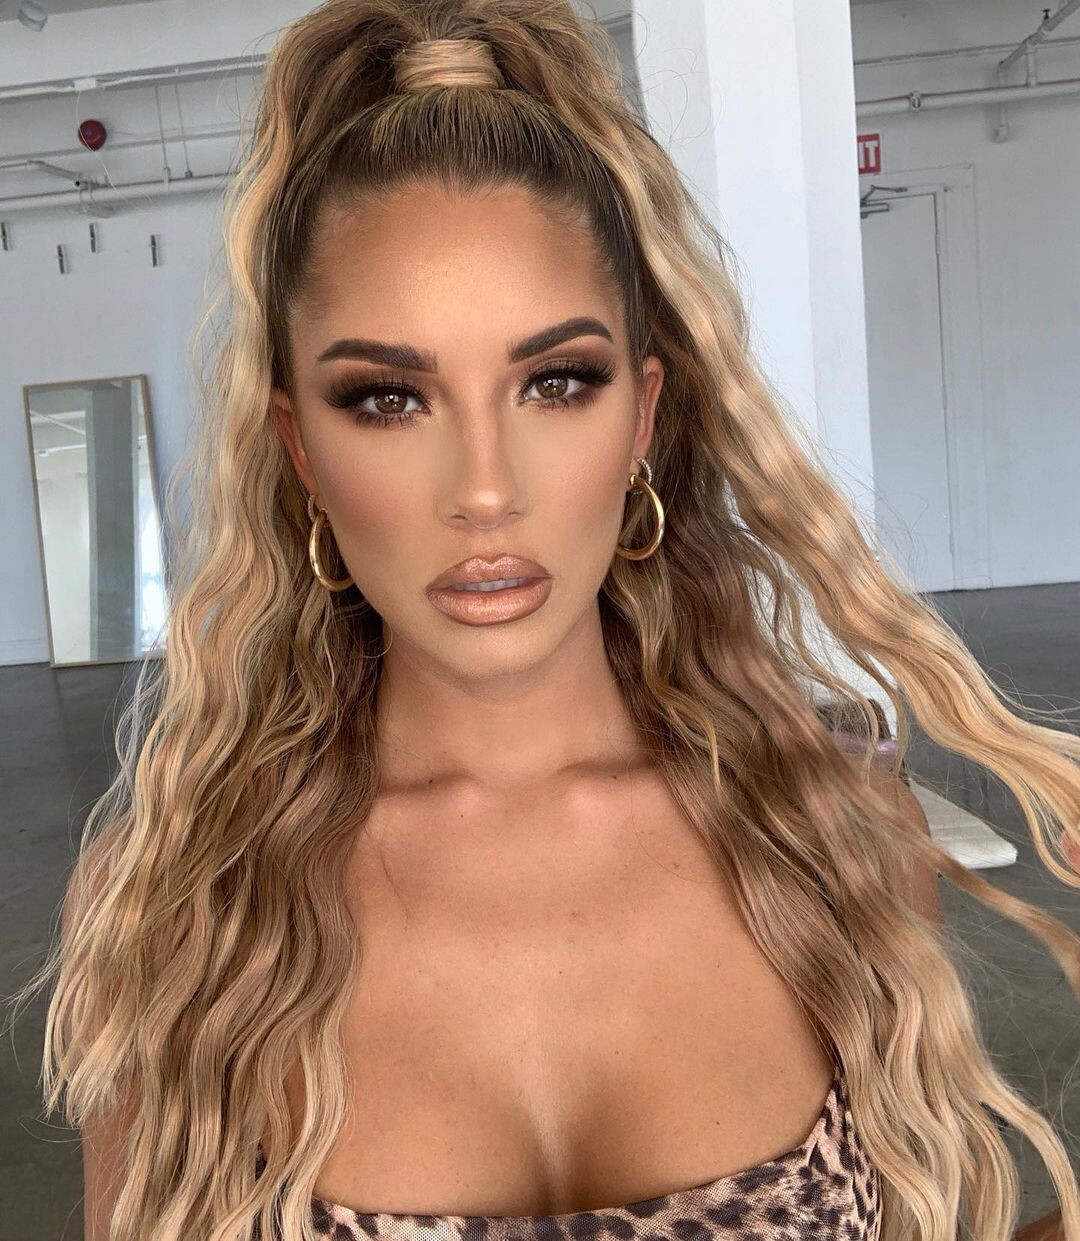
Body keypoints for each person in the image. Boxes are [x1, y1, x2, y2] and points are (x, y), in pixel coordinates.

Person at [9, 1, 1078, 1238]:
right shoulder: (179, 907)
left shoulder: (837, 837)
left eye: (556, 380)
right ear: (299, 446)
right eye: (388, 397)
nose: (485, 488)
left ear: (642, 416)